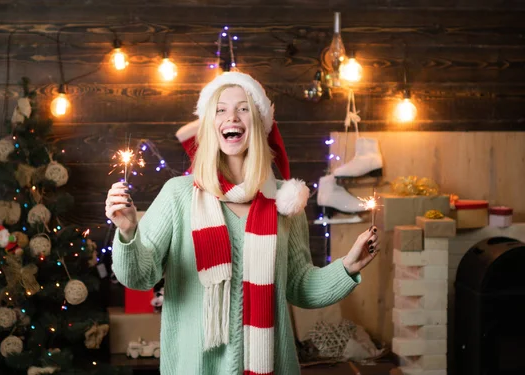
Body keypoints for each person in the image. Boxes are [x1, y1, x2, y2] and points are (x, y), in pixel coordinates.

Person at [105, 72, 380, 375]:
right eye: (220, 109)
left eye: (243, 108)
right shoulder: (177, 196)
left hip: (272, 365)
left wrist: (347, 267)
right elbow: (140, 277)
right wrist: (129, 232)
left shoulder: (284, 203)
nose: (231, 117)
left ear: (260, 123)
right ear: (210, 125)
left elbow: (300, 285)